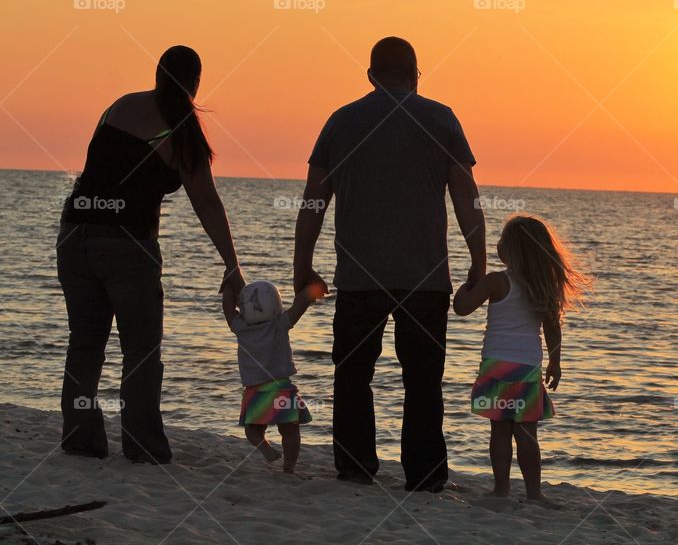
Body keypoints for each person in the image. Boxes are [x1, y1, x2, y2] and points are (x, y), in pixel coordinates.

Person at [293, 36, 485, 492]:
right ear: (417, 74)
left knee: (354, 375)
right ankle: (425, 475)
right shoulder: (441, 119)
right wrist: (478, 264)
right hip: (426, 279)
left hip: (360, 277)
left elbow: (313, 203)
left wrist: (302, 267)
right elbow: (466, 198)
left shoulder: (341, 121)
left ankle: (355, 467)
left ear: (370, 76)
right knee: (423, 381)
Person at [58, 45, 245, 464]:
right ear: (196, 81)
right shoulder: (182, 131)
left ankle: (80, 440)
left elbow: (96, 168)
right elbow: (207, 203)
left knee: (84, 345)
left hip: (74, 234)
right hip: (126, 245)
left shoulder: (120, 105)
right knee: (141, 350)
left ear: (158, 73)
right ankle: (143, 446)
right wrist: (233, 267)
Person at [452, 215, 588, 500]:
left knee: (499, 432)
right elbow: (552, 328)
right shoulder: (543, 287)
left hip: (496, 368)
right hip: (527, 369)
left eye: (502, 240)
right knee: (527, 435)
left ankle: (501, 489)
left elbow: (462, 308)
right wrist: (555, 362)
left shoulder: (496, 282)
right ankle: (534, 493)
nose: (498, 244)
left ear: (510, 250)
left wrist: (466, 285)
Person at [222, 280, 319, 474]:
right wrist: (310, 289)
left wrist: (229, 287)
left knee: (252, 429)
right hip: (281, 388)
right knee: (290, 431)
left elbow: (228, 310)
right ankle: (289, 466)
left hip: (255, 391)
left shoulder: (241, 327)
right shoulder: (280, 324)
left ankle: (263, 446)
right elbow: (299, 307)